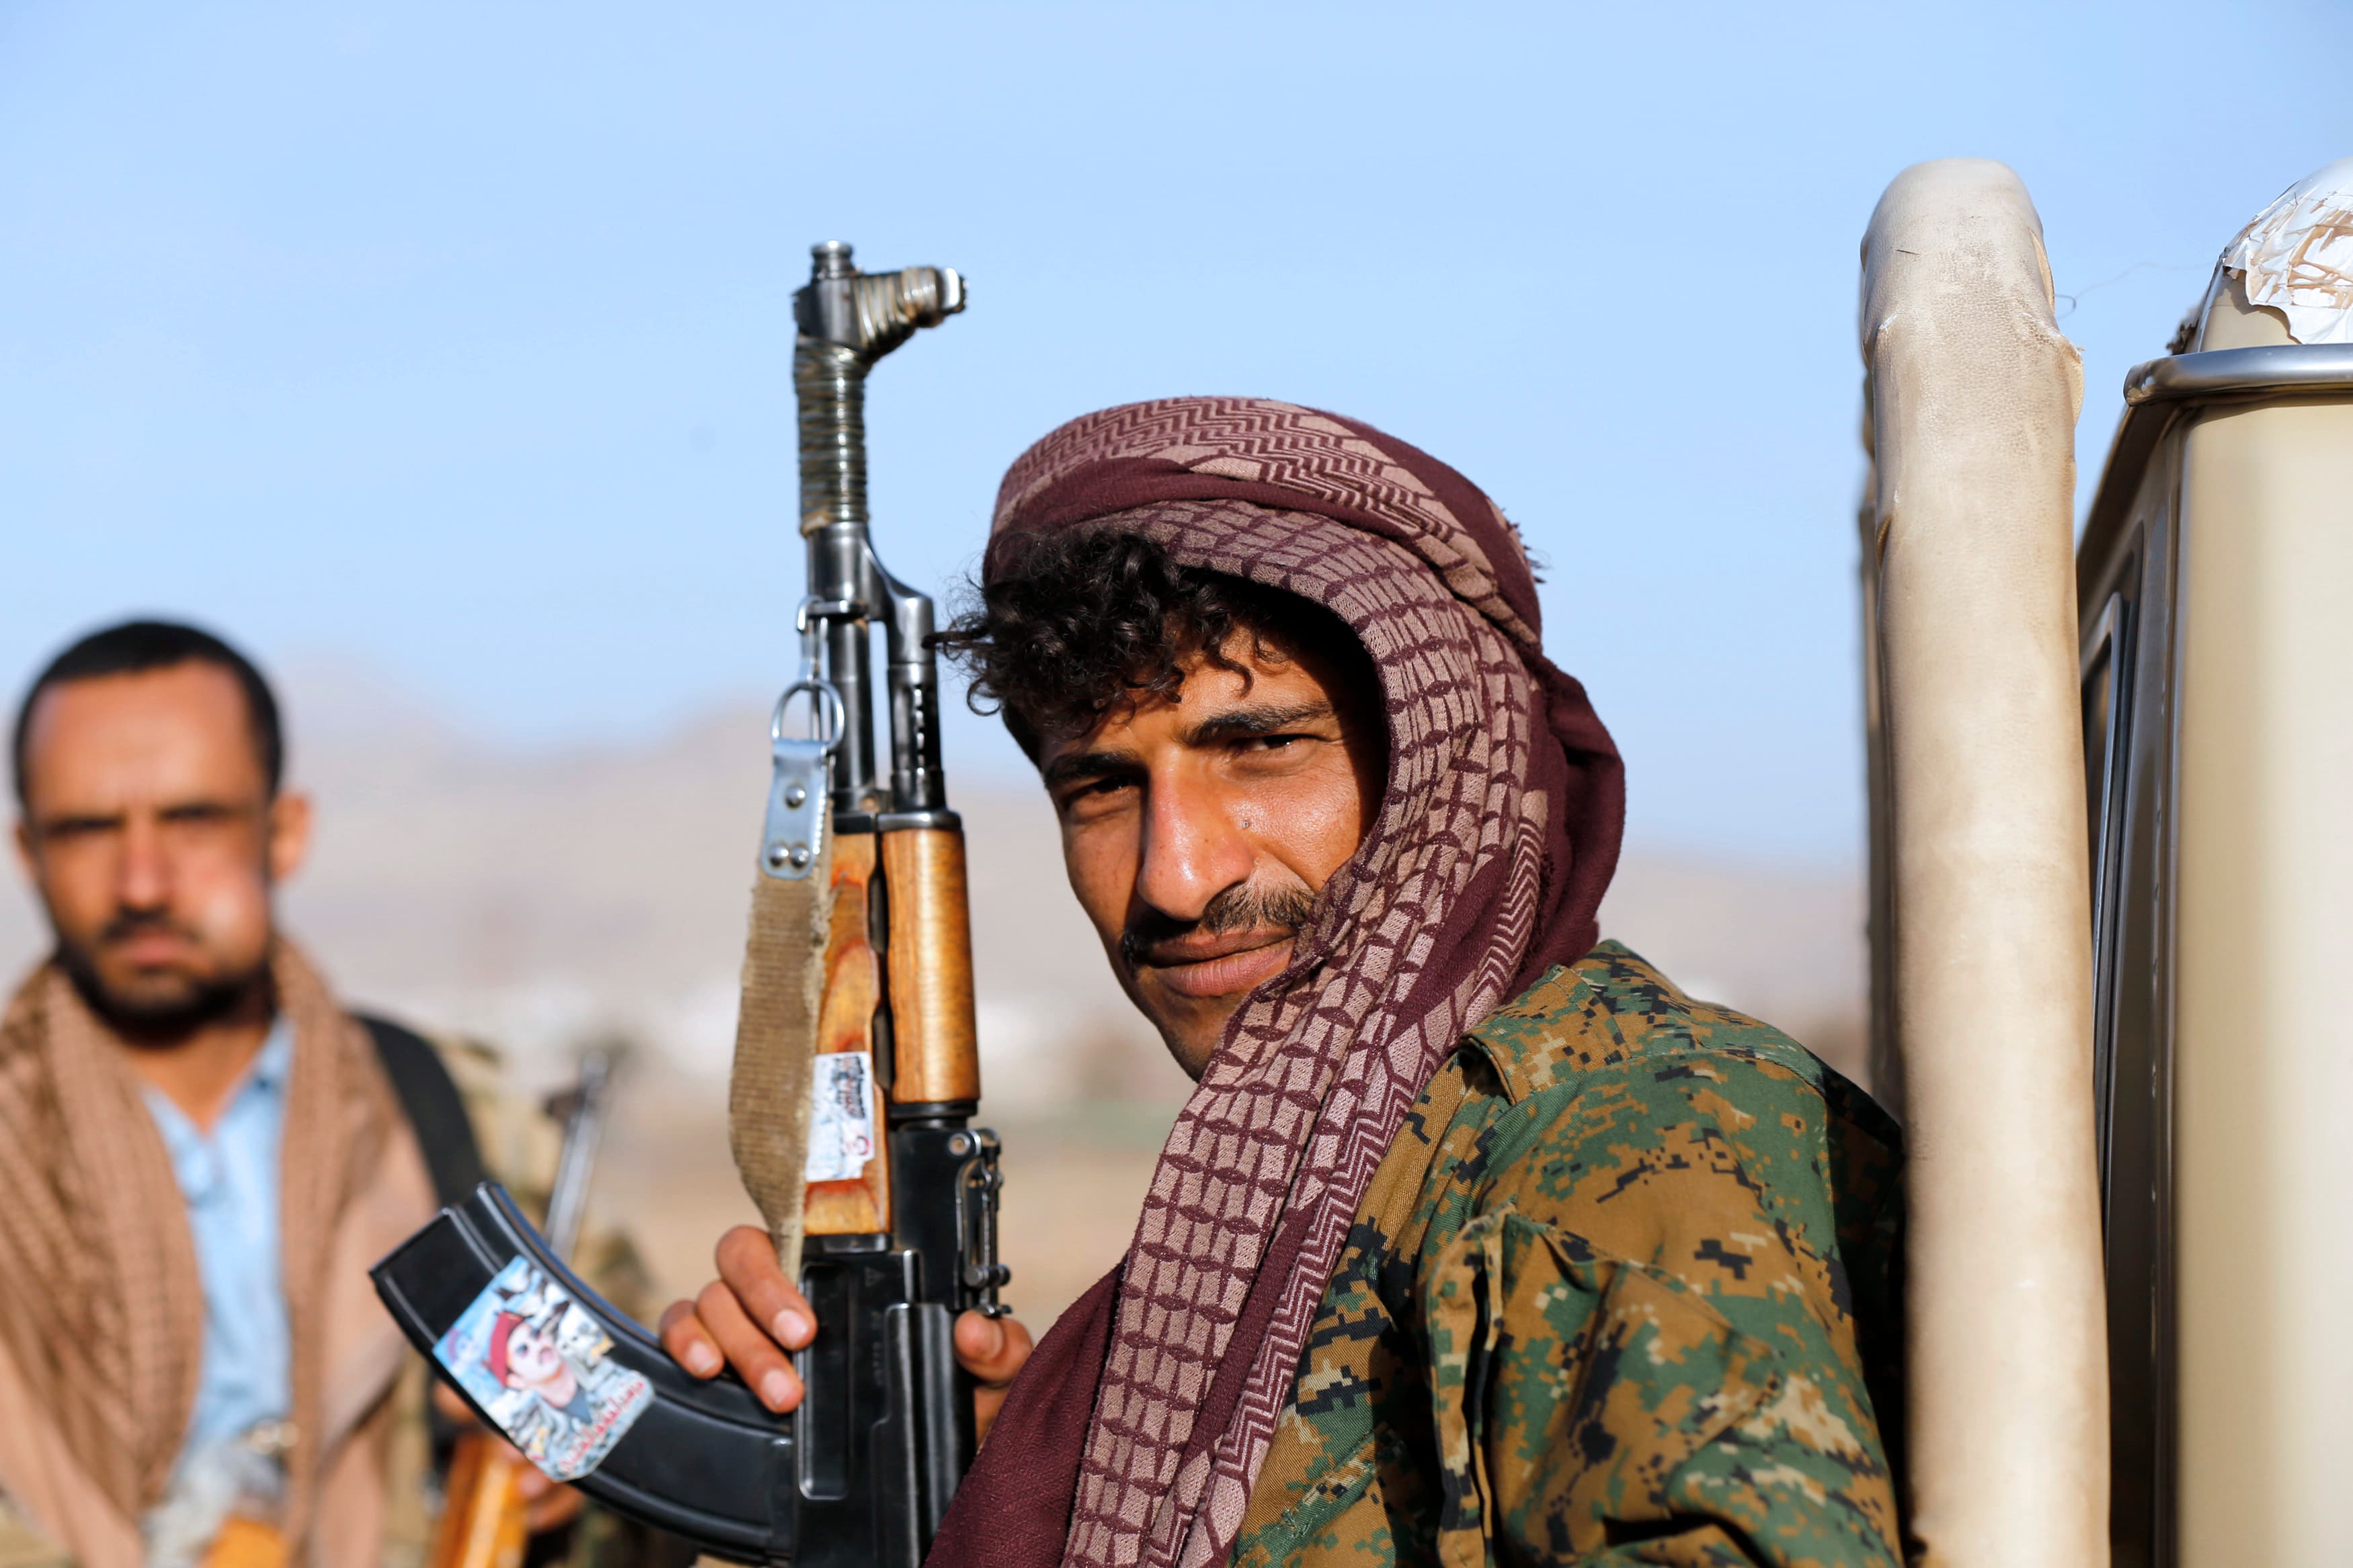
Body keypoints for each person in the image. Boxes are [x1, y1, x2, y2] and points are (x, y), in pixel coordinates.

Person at [657, 399, 1907, 1565]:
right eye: (1102, 787)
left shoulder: (1635, 1144)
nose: (1177, 876)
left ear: (1449, 757)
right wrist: (973, 1468)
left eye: (1260, 749)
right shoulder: (1296, 1199)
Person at [0, 622, 590, 1567]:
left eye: (192, 819)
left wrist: (578, 1481)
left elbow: (658, 1504)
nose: (141, 881)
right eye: (89, 829)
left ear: (285, 831)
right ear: (28, 852)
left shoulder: (454, 1118)